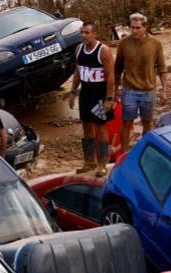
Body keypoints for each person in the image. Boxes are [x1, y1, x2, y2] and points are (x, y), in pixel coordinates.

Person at [114, 12, 167, 155]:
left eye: (138, 28)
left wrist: (164, 90)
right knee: (126, 123)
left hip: (148, 90)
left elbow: (162, 67)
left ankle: (145, 154)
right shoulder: (124, 43)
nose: (134, 31)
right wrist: (115, 89)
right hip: (129, 89)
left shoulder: (156, 44)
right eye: (132, 28)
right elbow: (117, 68)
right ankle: (123, 155)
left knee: (147, 124)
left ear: (145, 27)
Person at [69, 21, 115, 176]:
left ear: (95, 34)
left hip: (99, 94)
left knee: (100, 126)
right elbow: (77, 71)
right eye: (82, 32)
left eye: (87, 32)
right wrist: (73, 91)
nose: (84, 35)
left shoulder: (104, 51)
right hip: (85, 93)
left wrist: (109, 98)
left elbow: (110, 77)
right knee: (86, 125)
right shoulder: (78, 49)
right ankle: (89, 162)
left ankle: (102, 164)